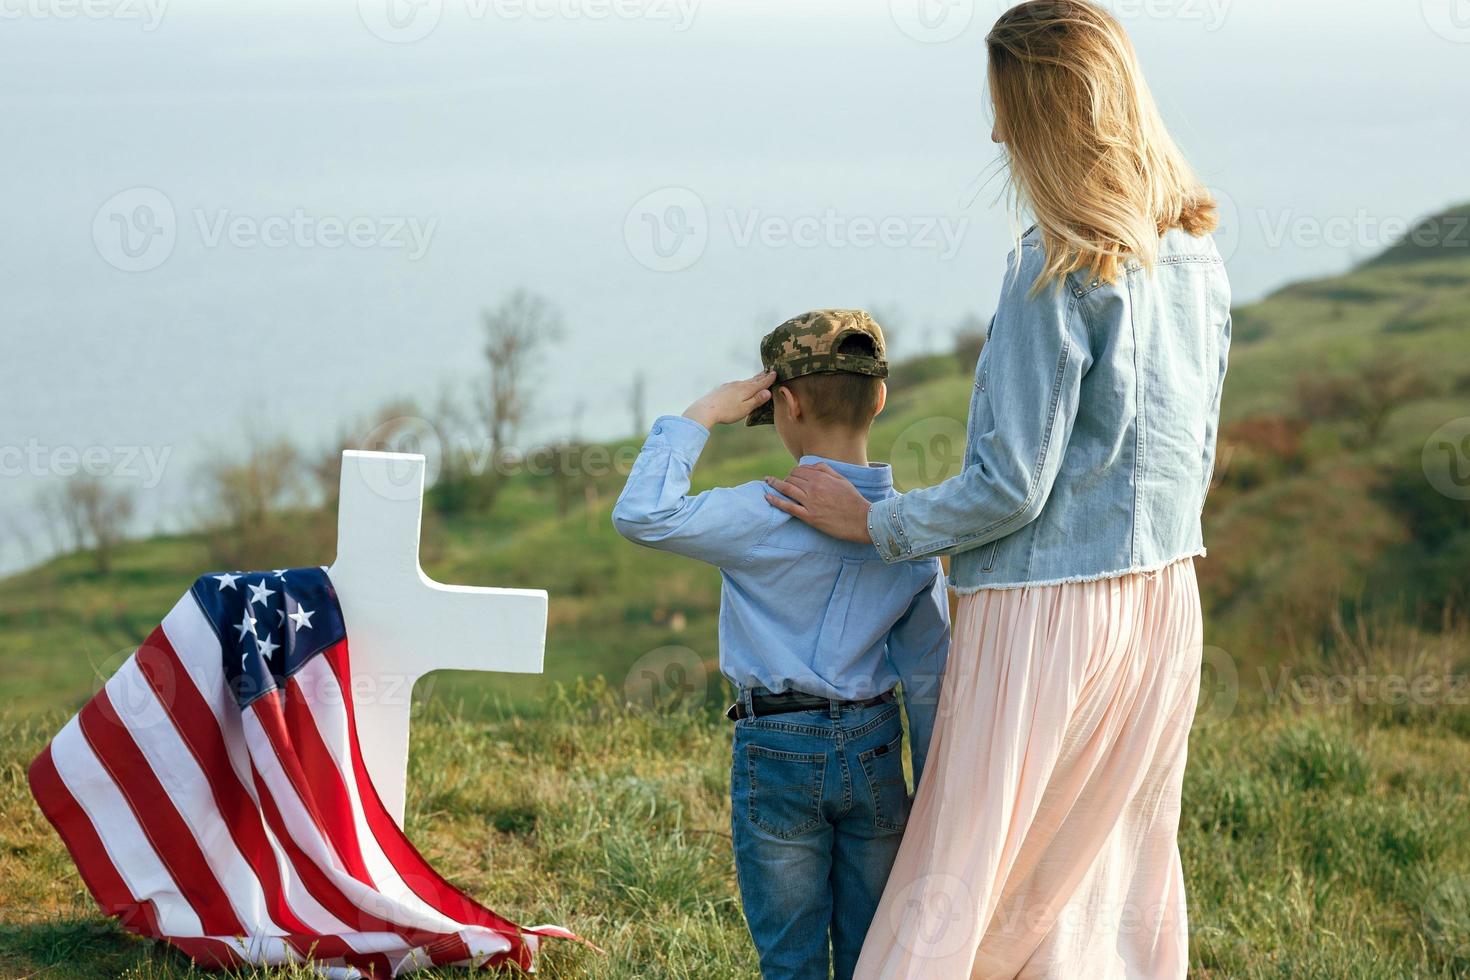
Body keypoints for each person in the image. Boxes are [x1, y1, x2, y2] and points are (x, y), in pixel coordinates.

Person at [763, 4, 1230, 977]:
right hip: (1165, 600)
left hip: (1044, 613)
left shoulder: (1052, 264)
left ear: (1051, 115)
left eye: (1006, 107)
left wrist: (876, 519)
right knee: (1104, 872)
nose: (994, 133)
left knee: (966, 869)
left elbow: (1008, 485)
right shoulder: (1194, 256)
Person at [612, 310, 950, 980]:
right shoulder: (905, 536)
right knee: (874, 954)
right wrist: (937, 789)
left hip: (779, 745)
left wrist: (700, 415)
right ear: (879, 399)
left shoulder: (759, 510)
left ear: (785, 404)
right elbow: (929, 677)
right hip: (878, 751)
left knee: (791, 958)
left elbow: (643, 512)